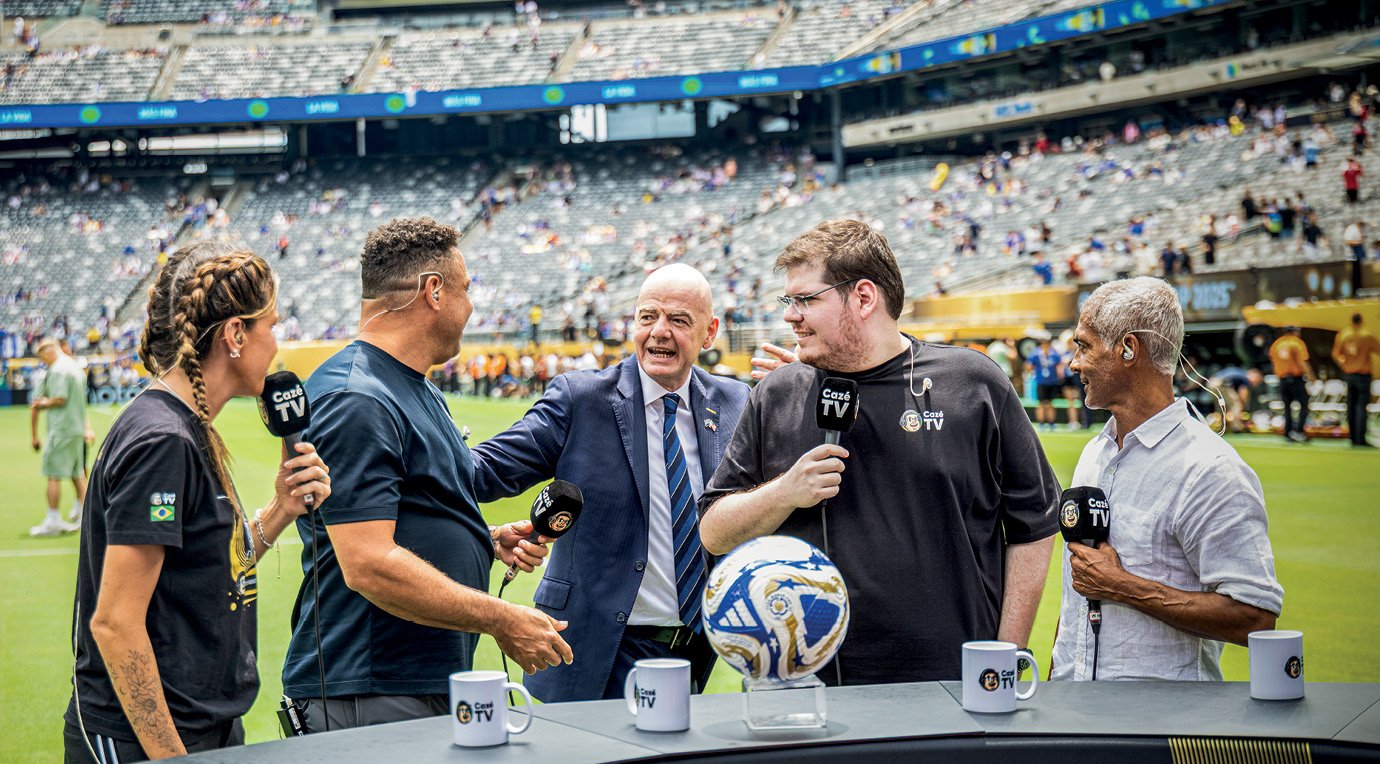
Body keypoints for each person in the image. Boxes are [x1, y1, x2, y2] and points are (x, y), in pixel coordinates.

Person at [698, 219, 1059, 685]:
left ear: (864, 298)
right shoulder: (777, 393)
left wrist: (1004, 656)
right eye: (789, 301)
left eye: (806, 299)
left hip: (948, 686)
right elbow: (713, 533)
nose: (790, 315)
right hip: (803, 689)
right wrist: (784, 492)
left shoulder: (973, 383)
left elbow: (1033, 524)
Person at [281, 218, 570, 732]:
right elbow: (367, 562)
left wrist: (483, 541)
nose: (472, 305)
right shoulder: (357, 397)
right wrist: (502, 618)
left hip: (411, 682)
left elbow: (408, 511)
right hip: (372, 689)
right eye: (467, 289)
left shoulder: (412, 386)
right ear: (433, 292)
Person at [64, 243, 331, 764]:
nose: (278, 345)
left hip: (201, 730)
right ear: (235, 335)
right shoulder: (163, 440)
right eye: (271, 326)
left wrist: (280, 509)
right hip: (150, 745)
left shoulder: (188, 427)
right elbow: (115, 623)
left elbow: (211, 567)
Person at [470, 264, 749, 702]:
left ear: (709, 332)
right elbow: (481, 472)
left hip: (693, 650)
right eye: (647, 316)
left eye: (678, 320)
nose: (659, 332)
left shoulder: (736, 402)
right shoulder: (580, 399)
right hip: (588, 648)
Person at [1052, 278, 1282, 681]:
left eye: (1084, 345)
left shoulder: (1208, 468)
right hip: (1073, 716)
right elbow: (1080, 589)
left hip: (1162, 729)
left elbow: (1255, 617)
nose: (1074, 362)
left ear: (1128, 348)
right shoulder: (1096, 452)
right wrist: (1057, 678)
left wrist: (1122, 586)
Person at [29, 338, 93, 535]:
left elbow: (60, 398)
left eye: (42, 355)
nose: (43, 360)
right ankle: (87, 518)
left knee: (53, 474)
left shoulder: (58, 370)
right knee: (77, 474)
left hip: (62, 429)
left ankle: (53, 520)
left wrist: (42, 403)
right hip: (75, 429)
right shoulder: (75, 367)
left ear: (49, 350)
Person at [1332, 312, 1379, 447]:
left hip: (1349, 374)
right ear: (1361, 321)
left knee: (1351, 405)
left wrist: (1344, 364)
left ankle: (1352, 437)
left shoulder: (1343, 335)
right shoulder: (1366, 335)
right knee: (1361, 407)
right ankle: (1360, 438)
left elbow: (1336, 355)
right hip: (1363, 374)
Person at [1269, 325, 1313, 443]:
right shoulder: (1296, 343)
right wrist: (1312, 377)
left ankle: (1288, 432)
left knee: (1287, 408)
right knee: (1304, 405)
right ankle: (1299, 431)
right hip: (1296, 379)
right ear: (1294, 332)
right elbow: (1301, 362)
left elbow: (1273, 361)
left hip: (1283, 379)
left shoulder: (1277, 344)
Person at [1026, 337, 1064, 430]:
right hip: (1041, 381)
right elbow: (1028, 364)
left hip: (1051, 381)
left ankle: (1051, 423)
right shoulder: (1036, 353)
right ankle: (1041, 423)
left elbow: (1059, 364)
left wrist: (1059, 374)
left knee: (1050, 403)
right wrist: (1032, 374)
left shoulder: (1054, 353)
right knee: (1041, 403)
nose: (1046, 345)